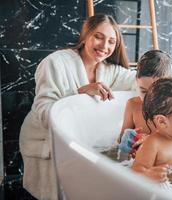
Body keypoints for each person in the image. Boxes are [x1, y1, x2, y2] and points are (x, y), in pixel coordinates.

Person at [19, 13, 136, 200]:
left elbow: (138, 82)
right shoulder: (55, 63)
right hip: (43, 138)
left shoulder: (108, 70)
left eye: (111, 42)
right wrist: (80, 94)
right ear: (85, 35)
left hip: (76, 142)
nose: (104, 46)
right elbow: (43, 110)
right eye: (99, 36)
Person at [118, 50, 172, 151]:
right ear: (136, 80)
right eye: (143, 91)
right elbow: (121, 139)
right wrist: (128, 139)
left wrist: (151, 141)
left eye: (156, 91)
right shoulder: (133, 105)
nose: (149, 98)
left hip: (166, 157)